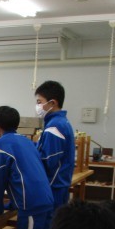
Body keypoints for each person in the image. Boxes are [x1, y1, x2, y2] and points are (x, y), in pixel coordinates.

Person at [0, 105, 54, 229]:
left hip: (31, 204)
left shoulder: (0, 144)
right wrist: (11, 204)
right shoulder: (27, 141)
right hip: (46, 199)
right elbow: (24, 174)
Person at [35, 80, 76, 211]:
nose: (38, 106)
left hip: (52, 186)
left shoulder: (55, 126)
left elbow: (48, 160)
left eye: (40, 102)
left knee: (50, 221)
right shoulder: (60, 122)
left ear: (52, 103)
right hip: (58, 185)